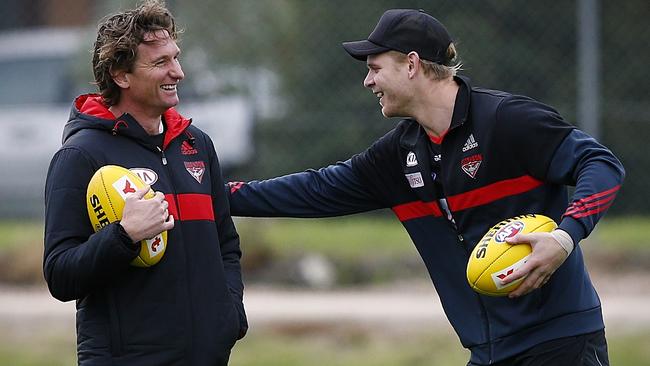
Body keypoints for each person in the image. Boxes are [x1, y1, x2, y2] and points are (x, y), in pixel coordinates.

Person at [228, 8, 624, 366]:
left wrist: (564, 238)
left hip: (561, 343)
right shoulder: (397, 156)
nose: (368, 81)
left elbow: (602, 164)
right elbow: (313, 190)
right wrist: (210, 194)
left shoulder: (509, 120)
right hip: (488, 352)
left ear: (412, 64)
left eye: (375, 67)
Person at [43, 1, 246, 364]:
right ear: (121, 75)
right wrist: (123, 235)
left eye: (175, 57)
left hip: (207, 355)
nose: (178, 72)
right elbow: (60, 274)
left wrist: (229, 317)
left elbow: (226, 244)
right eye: (160, 63)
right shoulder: (81, 156)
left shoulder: (196, 145)